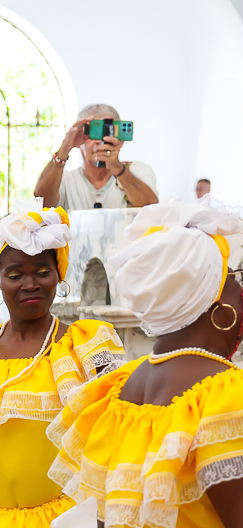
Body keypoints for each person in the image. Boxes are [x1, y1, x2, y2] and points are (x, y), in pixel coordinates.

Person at [47, 198, 243, 528]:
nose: (239, 290)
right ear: (220, 309)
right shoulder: (229, 401)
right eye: (232, 278)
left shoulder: (118, 391)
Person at [0, 202, 124, 528]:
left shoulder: (85, 346)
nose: (30, 284)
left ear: (59, 274)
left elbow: (115, 434)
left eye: (42, 272)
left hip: (65, 519)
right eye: (15, 275)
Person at [34, 104, 158, 210]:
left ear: (121, 141)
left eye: (107, 132)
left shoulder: (138, 171)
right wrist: (63, 150)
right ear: (78, 140)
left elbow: (151, 208)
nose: (99, 141)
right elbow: (42, 202)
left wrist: (119, 170)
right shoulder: (65, 180)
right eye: (93, 132)